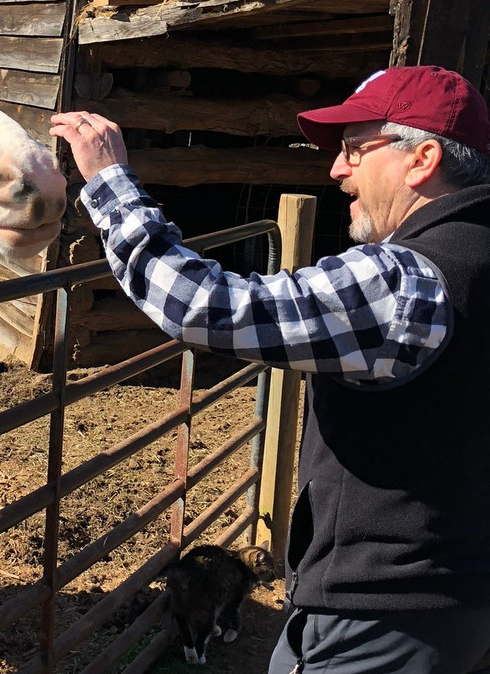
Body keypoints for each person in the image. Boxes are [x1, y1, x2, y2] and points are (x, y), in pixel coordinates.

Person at [50, 65, 490, 674]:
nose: (337, 168)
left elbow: (206, 307)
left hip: (377, 617)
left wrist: (108, 182)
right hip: (458, 603)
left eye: (355, 148)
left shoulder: (407, 278)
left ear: (422, 159)